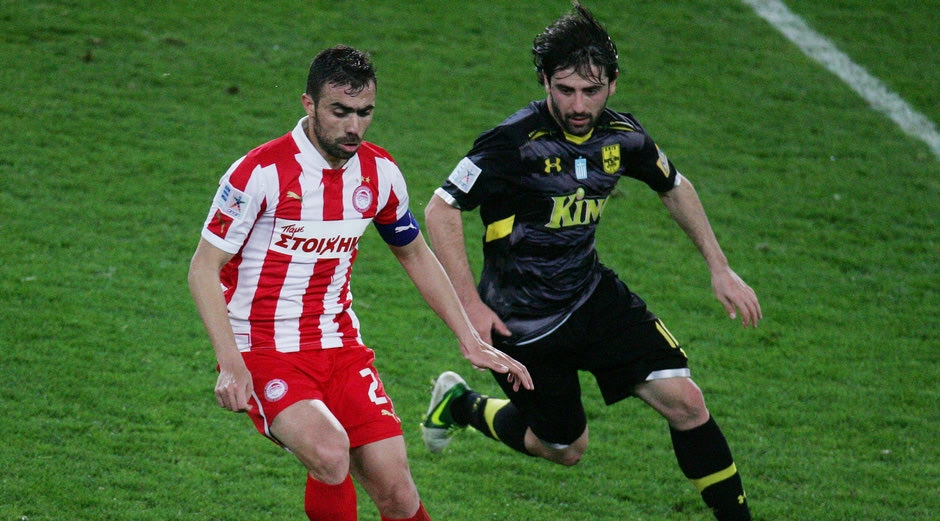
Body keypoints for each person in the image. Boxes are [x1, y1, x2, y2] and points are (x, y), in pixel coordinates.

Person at [420, 4, 760, 521]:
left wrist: (720, 266)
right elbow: (440, 209)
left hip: (590, 296)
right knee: (565, 448)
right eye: (565, 90)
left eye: (591, 90)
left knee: (687, 402)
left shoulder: (623, 136)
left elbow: (674, 185)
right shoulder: (512, 143)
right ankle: (460, 404)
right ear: (544, 82)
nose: (579, 105)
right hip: (521, 321)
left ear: (613, 84)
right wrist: (469, 305)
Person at [188, 45, 532, 521]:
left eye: (365, 112)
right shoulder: (260, 173)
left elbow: (414, 252)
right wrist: (230, 364)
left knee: (397, 491)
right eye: (340, 112)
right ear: (309, 104)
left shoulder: (380, 173)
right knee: (330, 453)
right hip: (264, 348)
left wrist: (468, 338)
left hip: (340, 346)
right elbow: (203, 267)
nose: (354, 126)